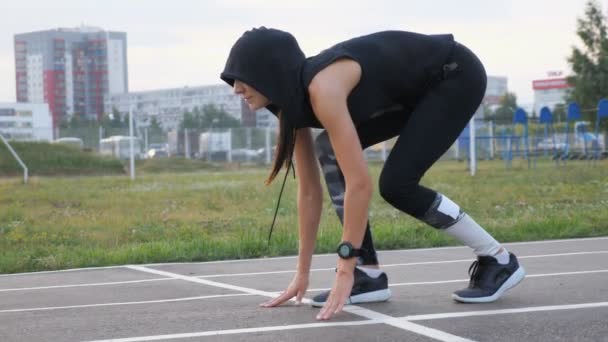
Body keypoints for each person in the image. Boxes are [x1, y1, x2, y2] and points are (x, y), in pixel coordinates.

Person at [220, 27, 525, 321]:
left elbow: (359, 184)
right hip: (412, 92)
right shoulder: (290, 106)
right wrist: (302, 274)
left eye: (242, 78)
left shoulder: (323, 89)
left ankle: (497, 259)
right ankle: (368, 275)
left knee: (397, 185)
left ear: (267, 71)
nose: (236, 89)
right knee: (327, 149)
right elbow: (309, 192)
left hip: (454, 75)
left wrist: (344, 268)